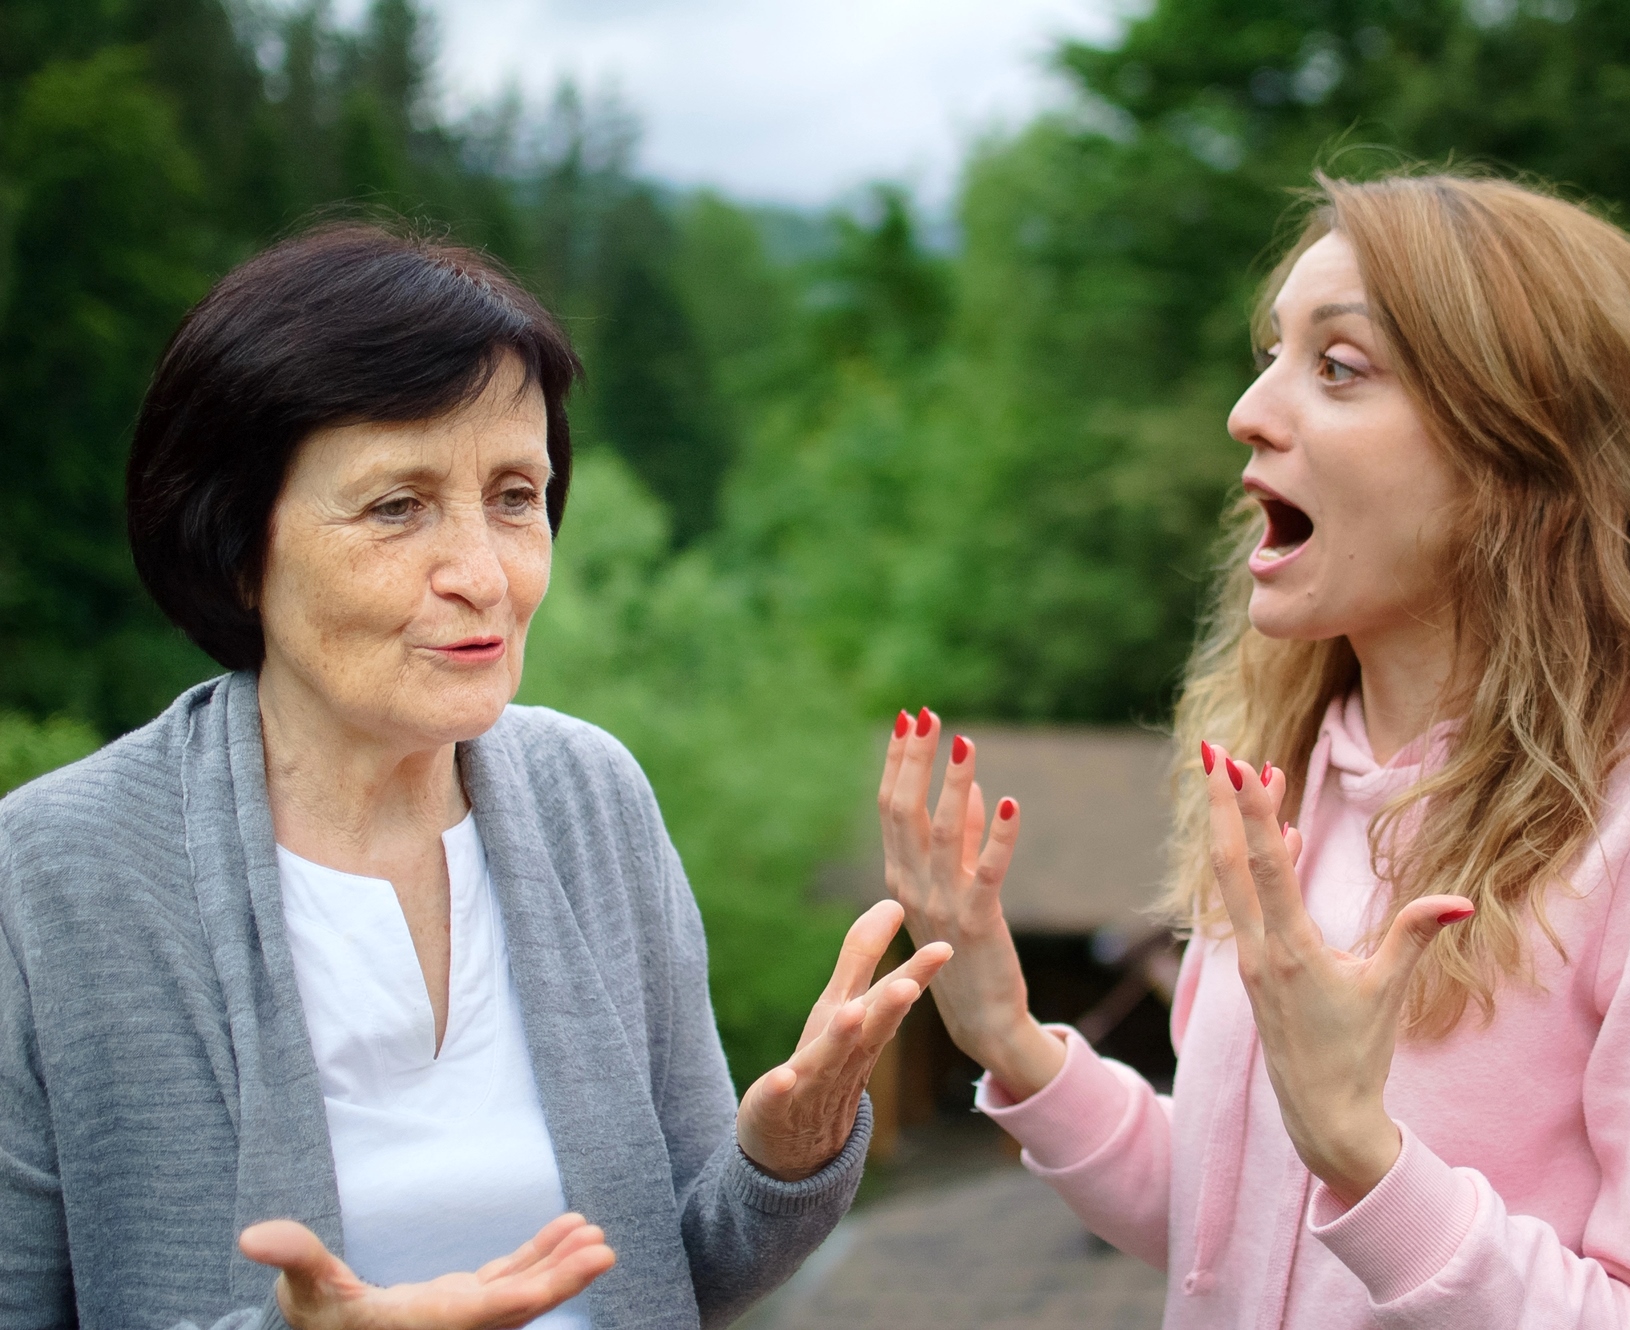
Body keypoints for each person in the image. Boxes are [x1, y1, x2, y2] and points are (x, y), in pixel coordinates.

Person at [878, 172, 1630, 1328]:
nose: (1248, 410)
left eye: (1336, 366)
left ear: (1524, 453)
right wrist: (1012, 1039)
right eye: (1268, 353)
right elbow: (1226, 1235)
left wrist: (1366, 1159)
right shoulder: (1287, 777)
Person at [0, 224, 949, 1330]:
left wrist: (784, 1158)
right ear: (233, 542)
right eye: (396, 506)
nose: (484, 574)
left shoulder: (591, 797)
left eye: (513, 495)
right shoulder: (54, 872)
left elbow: (677, 1273)